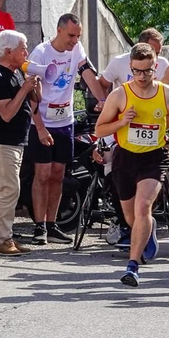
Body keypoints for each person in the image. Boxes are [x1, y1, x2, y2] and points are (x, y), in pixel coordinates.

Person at [94, 43, 169, 287]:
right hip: (125, 158)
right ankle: (146, 229)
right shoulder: (120, 95)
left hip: (153, 158)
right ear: (130, 68)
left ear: (155, 67)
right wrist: (121, 122)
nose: (142, 76)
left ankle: (132, 266)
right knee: (131, 216)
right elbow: (99, 129)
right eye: (137, 71)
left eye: (147, 71)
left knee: (143, 206)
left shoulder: (167, 92)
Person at [26, 14, 105, 244]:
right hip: (42, 120)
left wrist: (103, 100)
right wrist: (39, 128)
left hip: (65, 121)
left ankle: (52, 224)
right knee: (42, 174)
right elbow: (31, 93)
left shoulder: (76, 49)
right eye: (71, 35)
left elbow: (88, 74)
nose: (74, 40)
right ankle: (39, 226)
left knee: (59, 174)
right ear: (59, 30)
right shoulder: (41, 53)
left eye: (78, 36)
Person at [0, 30, 38, 255]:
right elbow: (5, 113)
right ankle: (2, 240)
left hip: (16, 141)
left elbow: (34, 102)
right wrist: (24, 89)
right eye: (23, 48)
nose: (27, 52)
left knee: (12, 188)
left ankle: (7, 237)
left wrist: (33, 88)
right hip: (3, 141)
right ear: (8, 51)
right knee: (8, 188)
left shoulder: (15, 73)